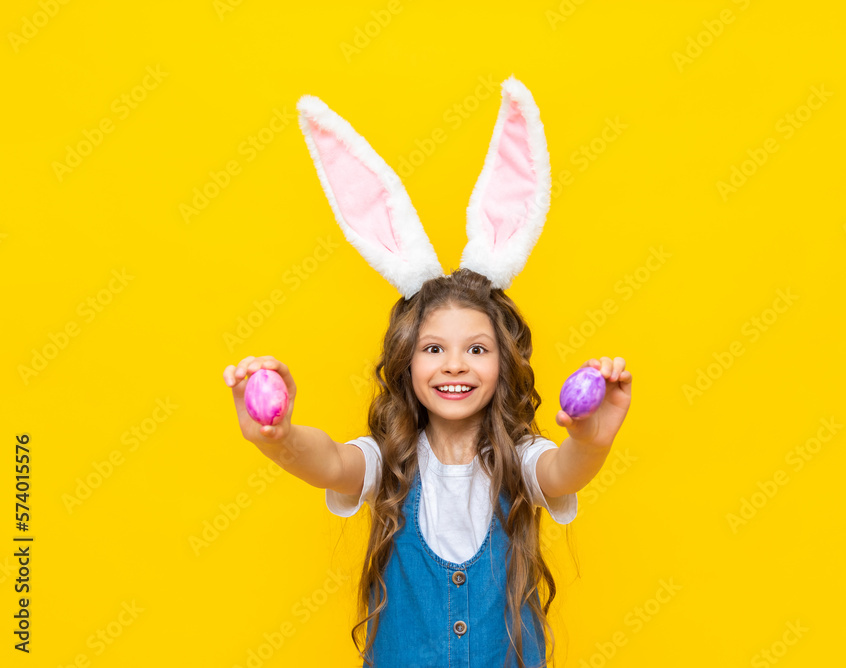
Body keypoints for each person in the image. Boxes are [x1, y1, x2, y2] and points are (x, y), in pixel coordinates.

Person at [222, 76, 633, 668]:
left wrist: (592, 438)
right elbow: (330, 461)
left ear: (505, 360)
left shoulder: (520, 460)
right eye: (434, 349)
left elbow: (565, 472)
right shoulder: (387, 461)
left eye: (477, 349)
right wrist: (280, 437)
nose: (455, 365)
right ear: (406, 360)